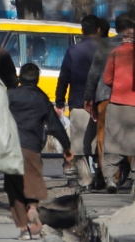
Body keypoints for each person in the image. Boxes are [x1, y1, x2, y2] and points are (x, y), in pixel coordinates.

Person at [6, 63, 73, 238]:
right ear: (37, 80)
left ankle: (23, 229)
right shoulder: (41, 98)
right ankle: (33, 210)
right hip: (32, 149)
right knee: (32, 185)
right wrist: (66, 146)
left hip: (11, 148)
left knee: (14, 189)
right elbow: (55, 125)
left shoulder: (10, 95)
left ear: (20, 79)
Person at [55, 14, 100, 188]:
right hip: (103, 103)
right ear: (98, 30)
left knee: (80, 145)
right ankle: (102, 176)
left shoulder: (73, 51)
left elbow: (63, 77)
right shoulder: (106, 50)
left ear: (82, 30)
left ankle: (86, 179)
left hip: (78, 102)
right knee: (99, 143)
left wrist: (60, 101)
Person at [84, 14, 123, 188]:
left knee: (103, 136)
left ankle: (108, 175)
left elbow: (94, 73)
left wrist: (88, 97)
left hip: (104, 96)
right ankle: (125, 171)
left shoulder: (105, 44)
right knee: (127, 134)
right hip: (128, 97)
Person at [100, 16, 135, 194]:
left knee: (113, 143)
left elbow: (107, 79)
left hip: (117, 103)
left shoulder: (115, 52)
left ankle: (110, 179)